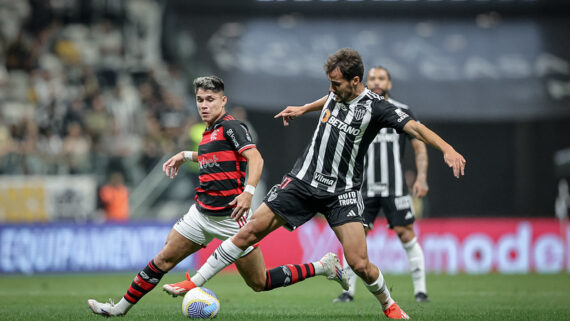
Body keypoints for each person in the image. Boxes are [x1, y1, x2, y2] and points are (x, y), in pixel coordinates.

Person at [179, 48, 466, 320]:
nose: (331, 88)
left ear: (355, 81)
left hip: (342, 193)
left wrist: (448, 149)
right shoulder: (334, 92)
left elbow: (415, 127)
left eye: (336, 83)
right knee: (249, 231)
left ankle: (389, 305)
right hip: (302, 182)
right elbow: (326, 99)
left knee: (359, 263)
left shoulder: (376, 108)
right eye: (329, 82)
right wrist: (304, 109)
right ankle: (195, 282)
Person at [87, 76, 348, 317]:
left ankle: (323, 266)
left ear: (223, 101)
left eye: (210, 99)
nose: (204, 105)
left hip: (230, 218)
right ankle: (119, 309)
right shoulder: (207, 131)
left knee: (260, 282)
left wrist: (248, 193)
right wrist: (185, 156)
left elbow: (255, 158)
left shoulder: (232, 127)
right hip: (200, 214)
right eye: (200, 100)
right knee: (163, 259)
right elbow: (215, 158)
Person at [298, 66, 431, 303]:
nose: (377, 82)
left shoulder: (401, 111)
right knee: (356, 237)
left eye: (382, 78)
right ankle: (347, 292)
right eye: (373, 78)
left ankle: (421, 291)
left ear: (389, 83)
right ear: (363, 82)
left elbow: (419, 144)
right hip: (362, 187)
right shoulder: (355, 110)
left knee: (405, 232)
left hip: (395, 185)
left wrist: (421, 177)